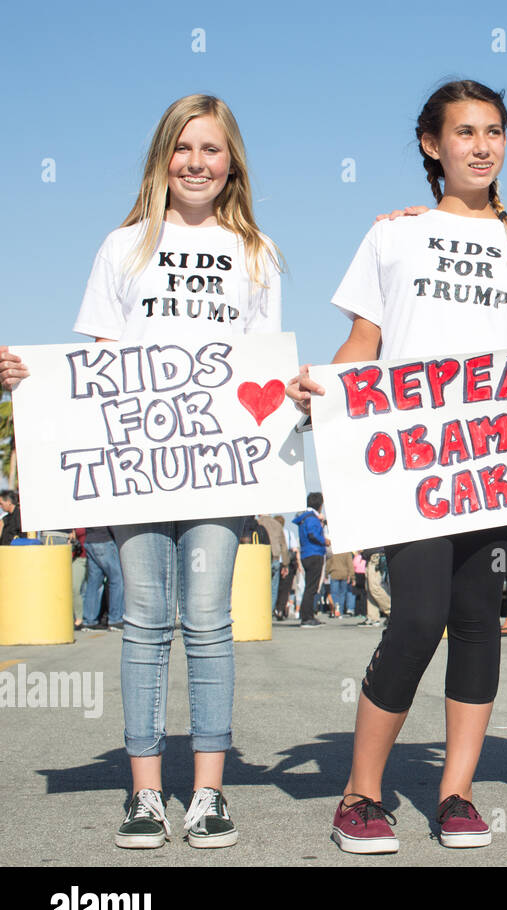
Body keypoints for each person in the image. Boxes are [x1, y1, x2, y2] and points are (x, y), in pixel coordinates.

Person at [287, 79, 507, 854]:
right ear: (432, 145)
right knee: (418, 618)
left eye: (493, 130)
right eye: (464, 132)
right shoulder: (392, 235)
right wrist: (319, 392)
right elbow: (366, 344)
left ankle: (456, 792)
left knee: (479, 626)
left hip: (492, 463)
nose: (482, 145)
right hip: (412, 469)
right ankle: (361, 794)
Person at [0, 93, 282, 850]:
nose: (197, 163)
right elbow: (93, 363)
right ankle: (147, 795)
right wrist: (28, 379)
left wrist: (291, 393)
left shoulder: (255, 252)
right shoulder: (121, 247)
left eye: (212, 150)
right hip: (137, 467)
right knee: (145, 622)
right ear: (162, 158)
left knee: (211, 623)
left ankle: (211, 792)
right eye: (183, 148)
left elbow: (263, 362)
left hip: (218, 467)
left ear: (233, 162)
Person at [293, 493, 327, 627]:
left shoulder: (304, 518)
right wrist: (325, 541)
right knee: (311, 588)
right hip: (314, 553)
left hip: (306, 553)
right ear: (319, 505)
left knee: (309, 587)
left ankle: (308, 615)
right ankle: (307, 617)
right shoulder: (312, 518)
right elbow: (313, 534)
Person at [81, 527, 124, 630]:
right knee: (117, 580)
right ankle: (116, 620)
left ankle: (89, 621)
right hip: (105, 540)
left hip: (90, 540)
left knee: (94, 583)